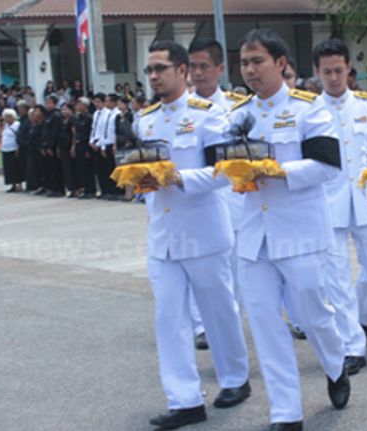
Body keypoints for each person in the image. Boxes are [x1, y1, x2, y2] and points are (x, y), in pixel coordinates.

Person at [225, 28, 350, 431]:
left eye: (257, 61)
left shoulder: (309, 109)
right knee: (263, 321)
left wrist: (276, 171)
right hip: (254, 235)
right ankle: (286, 413)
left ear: (281, 64)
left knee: (313, 315)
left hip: (298, 232)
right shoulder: (238, 114)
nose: (249, 70)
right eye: (244, 62)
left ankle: (335, 364)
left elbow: (328, 166)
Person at [136, 40, 251, 430]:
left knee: (219, 311)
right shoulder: (145, 119)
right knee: (169, 318)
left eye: (161, 69)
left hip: (204, 232)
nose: (153, 76)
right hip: (163, 235)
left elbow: (224, 172)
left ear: (183, 71)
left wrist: (177, 178)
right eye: (150, 69)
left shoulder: (208, 116)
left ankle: (235, 378)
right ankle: (184, 399)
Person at [313, 38, 367, 375]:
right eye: (326, 71)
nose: (333, 77)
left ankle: (361, 318)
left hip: (366, 199)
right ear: (317, 72)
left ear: (349, 70)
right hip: (325, 204)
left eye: (339, 70)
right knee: (337, 278)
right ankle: (351, 346)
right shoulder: (309, 110)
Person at [188, 36, 248, 349]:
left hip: (234, 199)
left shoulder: (238, 109)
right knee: (201, 267)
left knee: (233, 267)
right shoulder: (181, 110)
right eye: (193, 67)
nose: (198, 73)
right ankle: (201, 325)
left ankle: (228, 321)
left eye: (204, 66)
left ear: (220, 68)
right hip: (198, 201)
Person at [98, 94, 120, 199]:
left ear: (114, 102)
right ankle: (110, 190)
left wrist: (115, 144)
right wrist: (102, 146)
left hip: (113, 143)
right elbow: (104, 130)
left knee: (114, 168)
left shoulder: (117, 114)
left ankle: (117, 191)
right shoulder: (108, 114)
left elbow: (116, 131)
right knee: (108, 169)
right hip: (106, 143)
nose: (106, 103)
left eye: (108, 101)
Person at [42, 95, 64, 197]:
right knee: (50, 168)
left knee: (56, 168)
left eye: (50, 103)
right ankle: (52, 188)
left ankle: (59, 189)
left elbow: (55, 133)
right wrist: (44, 146)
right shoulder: (48, 115)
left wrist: (51, 146)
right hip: (47, 146)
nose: (47, 105)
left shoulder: (57, 115)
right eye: (46, 103)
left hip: (54, 146)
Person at [115, 97, 137, 201]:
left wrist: (130, 141)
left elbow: (132, 130)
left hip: (130, 145)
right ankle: (126, 191)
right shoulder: (117, 117)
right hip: (120, 144)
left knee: (130, 169)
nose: (119, 106)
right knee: (123, 169)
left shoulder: (130, 115)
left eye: (120, 104)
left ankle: (131, 193)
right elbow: (116, 131)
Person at [74, 97, 96, 199]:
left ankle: (91, 189)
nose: (78, 106)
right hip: (79, 144)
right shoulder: (78, 117)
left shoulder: (89, 117)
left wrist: (88, 149)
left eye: (80, 104)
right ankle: (85, 188)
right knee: (81, 168)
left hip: (85, 144)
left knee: (88, 169)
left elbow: (89, 133)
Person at [89, 93, 109, 198]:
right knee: (98, 169)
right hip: (95, 142)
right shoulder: (95, 113)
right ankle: (101, 190)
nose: (96, 104)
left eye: (98, 102)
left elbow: (105, 130)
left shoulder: (107, 114)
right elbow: (94, 128)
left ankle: (107, 190)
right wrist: (91, 141)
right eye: (95, 102)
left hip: (102, 143)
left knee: (105, 168)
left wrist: (100, 144)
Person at [0, 109, 23, 192]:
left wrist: (18, 147)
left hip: (14, 148)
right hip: (6, 149)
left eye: (9, 117)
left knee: (16, 167)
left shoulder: (17, 125)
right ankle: (13, 184)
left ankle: (19, 184)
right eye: (6, 117)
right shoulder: (5, 126)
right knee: (9, 168)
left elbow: (19, 137)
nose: (7, 119)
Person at [57, 103, 78, 198]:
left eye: (66, 109)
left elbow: (74, 134)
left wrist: (73, 147)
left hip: (70, 145)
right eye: (62, 110)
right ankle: (70, 188)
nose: (64, 112)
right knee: (66, 169)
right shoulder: (61, 120)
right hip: (62, 146)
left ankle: (76, 188)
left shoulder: (72, 120)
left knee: (72, 168)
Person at [26, 106, 46, 193]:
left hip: (39, 150)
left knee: (41, 168)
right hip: (32, 151)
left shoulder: (42, 125)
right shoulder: (33, 126)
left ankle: (42, 185)